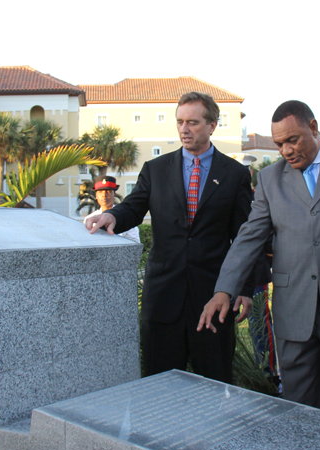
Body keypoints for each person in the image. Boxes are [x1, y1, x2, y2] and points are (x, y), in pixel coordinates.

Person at [198, 100, 320, 420]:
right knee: (300, 411)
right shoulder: (269, 180)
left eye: (293, 140)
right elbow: (250, 237)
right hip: (294, 313)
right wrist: (225, 290)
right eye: (279, 144)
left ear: (314, 128)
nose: (286, 150)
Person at [85, 92, 254, 384]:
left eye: (193, 122)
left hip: (213, 299)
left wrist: (244, 287)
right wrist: (113, 216)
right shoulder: (156, 169)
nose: (184, 129)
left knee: (213, 385)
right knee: (158, 388)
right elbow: (134, 206)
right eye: (180, 122)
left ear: (212, 125)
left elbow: (244, 236)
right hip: (163, 299)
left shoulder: (235, 174)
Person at [83, 176, 140, 243]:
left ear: (115, 194)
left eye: (108, 191)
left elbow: (134, 244)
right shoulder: (89, 219)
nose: (104, 195)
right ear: (96, 195)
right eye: (100, 192)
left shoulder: (125, 217)